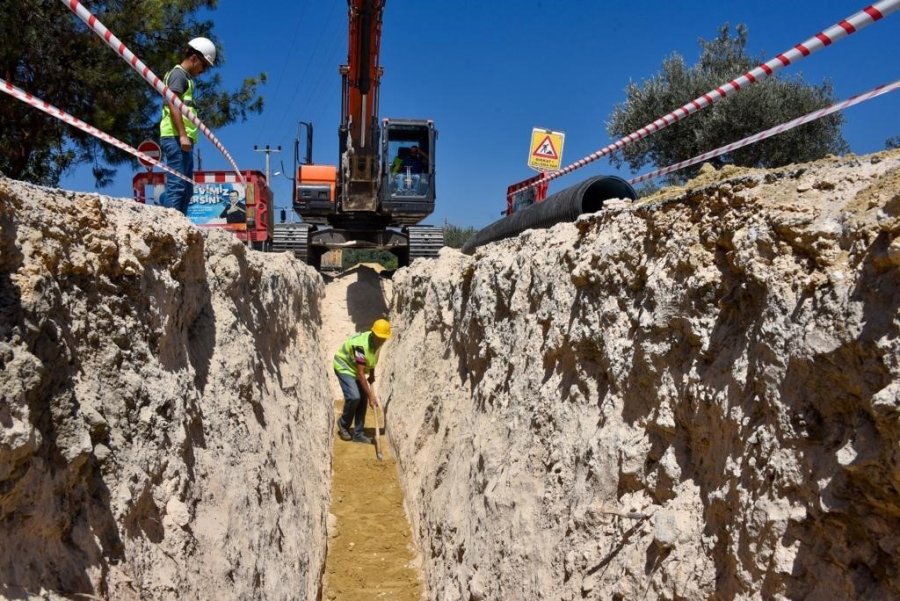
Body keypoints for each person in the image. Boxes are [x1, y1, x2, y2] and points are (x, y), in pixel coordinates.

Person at [159, 37, 216, 214]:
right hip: (176, 137)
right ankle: (171, 227)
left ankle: (181, 225)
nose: (203, 70)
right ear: (194, 58)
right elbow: (173, 102)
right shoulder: (178, 75)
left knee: (186, 188)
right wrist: (183, 135)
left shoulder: (187, 79)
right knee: (177, 186)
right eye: (203, 65)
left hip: (184, 140)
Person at [333, 319, 392, 444]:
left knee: (363, 399)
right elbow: (360, 374)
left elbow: (372, 359)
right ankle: (343, 424)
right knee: (354, 397)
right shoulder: (360, 346)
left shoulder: (378, 342)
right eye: (379, 337)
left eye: (383, 338)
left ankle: (358, 434)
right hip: (344, 367)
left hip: (356, 369)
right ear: (373, 333)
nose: (381, 340)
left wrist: (371, 374)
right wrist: (371, 396)